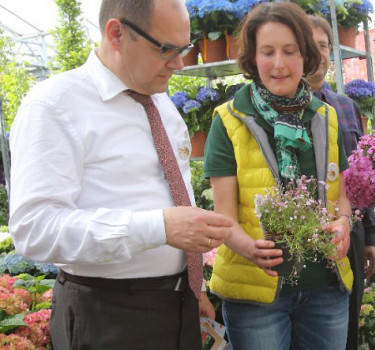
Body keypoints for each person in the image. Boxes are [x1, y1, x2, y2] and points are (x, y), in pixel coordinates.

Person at [8, 0, 233, 348]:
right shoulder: (54, 105)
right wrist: (159, 227)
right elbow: (35, 228)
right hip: (106, 314)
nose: (179, 62)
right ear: (116, 33)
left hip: (177, 306)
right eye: (166, 49)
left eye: (184, 48)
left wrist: (192, 289)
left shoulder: (162, 104)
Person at [204, 3, 353, 349]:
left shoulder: (325, 117)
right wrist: (251, 249)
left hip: (324, 288)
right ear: (252, 58)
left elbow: (340, 196)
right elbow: (223, 216)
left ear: (306, 55)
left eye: (290, 51)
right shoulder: (229, 120)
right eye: (267, 52)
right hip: (257, 294)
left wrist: (344, 223)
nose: (279, 64)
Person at [305, 15, 375, 350]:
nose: (317, 54)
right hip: (303, 241)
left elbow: (362, 173)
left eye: (323, 46)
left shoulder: (347, 107)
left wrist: (370, 236)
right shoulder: (279, 111)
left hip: (350, 236)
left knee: (346, 333)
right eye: (310, 45)